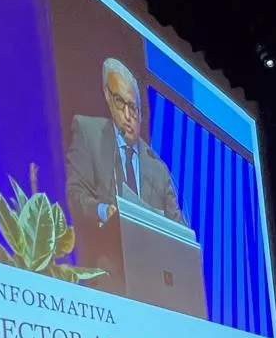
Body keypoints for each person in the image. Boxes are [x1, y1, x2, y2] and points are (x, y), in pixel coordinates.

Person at [66, 57, 186, 232]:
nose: (128, 116)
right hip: (103, 253)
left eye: (133, 107)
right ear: (108, 96)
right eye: (120, 102)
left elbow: (180, 230)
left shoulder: (158, 169)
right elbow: (75, 194)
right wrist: (102, 210)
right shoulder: (88, 133)